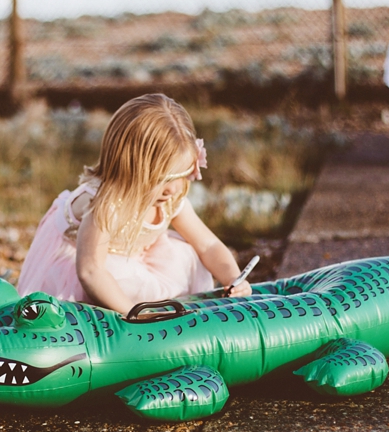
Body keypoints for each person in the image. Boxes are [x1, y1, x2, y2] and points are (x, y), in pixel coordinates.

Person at [17, 93, 252, 313]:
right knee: (116, 280)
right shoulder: (106, 204)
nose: (173, 188)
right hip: (84, 261)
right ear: (131, 170)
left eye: (181, 176)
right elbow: (91, 272)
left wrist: (233, 278)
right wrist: (132, 313)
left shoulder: (169, 198)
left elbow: (208, 245)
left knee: (186, 255)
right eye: (162, 179)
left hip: (131, 258)